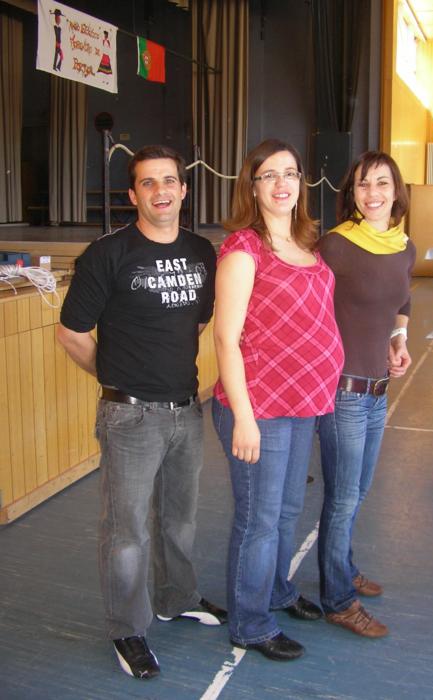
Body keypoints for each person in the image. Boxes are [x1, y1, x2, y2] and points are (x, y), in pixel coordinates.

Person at [57, 145, 225, 680]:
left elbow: (197, 322)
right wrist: (115, 377)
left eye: (169, 180)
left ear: (184, 189)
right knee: (127, 532)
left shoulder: (201, 251)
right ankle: (127, 629)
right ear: (133, 195)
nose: (160, 191)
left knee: (179, 519)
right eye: (148, 183)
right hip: (130, 417)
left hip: (186, 410)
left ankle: (177, 598)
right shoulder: (107, 253)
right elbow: (71, 332)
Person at [212, 139, 344, 661]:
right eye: (268, 175)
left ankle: (278, 590)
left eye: (290, 173)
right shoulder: (244, 249)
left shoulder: (308, 244)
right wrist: (243, 419)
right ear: (252, 187)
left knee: (287, 509)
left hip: (302, 402)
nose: (281, 183)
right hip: (258, 407)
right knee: (259, 519)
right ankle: (250, 622)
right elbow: (226, 339)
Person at [317, 150, 415, 638]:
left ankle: (343, 566)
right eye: (362, 184)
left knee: (357, 492)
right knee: (342, 497)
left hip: (378, 389)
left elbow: (403, 297)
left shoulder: (404, 246)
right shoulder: (335, 246)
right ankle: (338, 599)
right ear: (351, 193)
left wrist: (399, 340)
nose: (372, 193)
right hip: (344, 393)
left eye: (381, 183)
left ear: (396, 191)